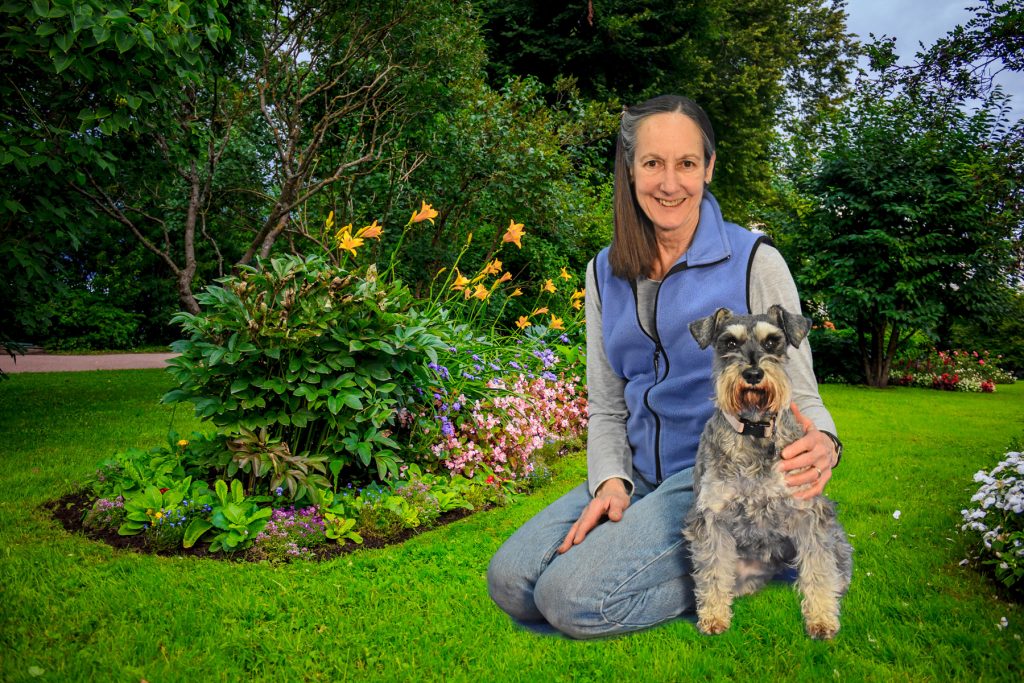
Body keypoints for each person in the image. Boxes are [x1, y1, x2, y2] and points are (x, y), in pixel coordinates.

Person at [487, 94, 842, 639]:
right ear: (630, 169)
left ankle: (753, 561)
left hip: (713, 474)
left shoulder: (754, 259)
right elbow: (607, 405)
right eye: (653, 163)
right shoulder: (603, 271)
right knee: (511, 582)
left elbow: (802, 389)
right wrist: (611, 481)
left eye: (687, 163)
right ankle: (713, 553)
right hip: (637, 474)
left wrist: (827, 444)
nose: (670, 183)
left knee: (570, 600)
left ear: (709, 168)